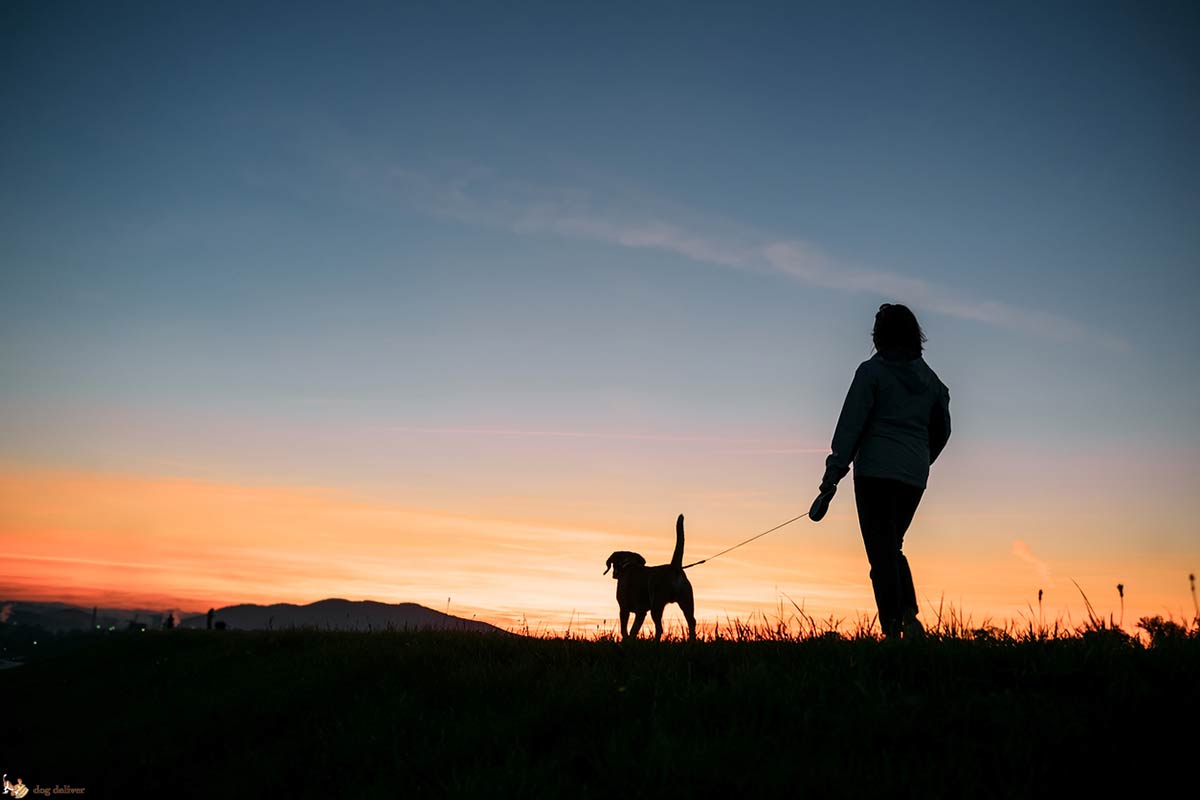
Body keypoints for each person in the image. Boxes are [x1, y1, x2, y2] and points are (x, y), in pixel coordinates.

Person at [810, 303, 951, 639]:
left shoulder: (871, 373)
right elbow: (942, 430)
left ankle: (895, 628)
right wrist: (922, 460)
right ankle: (909, 618)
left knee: (882, 551)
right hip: (914, 475)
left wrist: (832, 477)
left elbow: (850, 427)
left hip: (875, 473)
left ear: (880, 336)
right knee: (891, 546)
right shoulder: (933, 383)